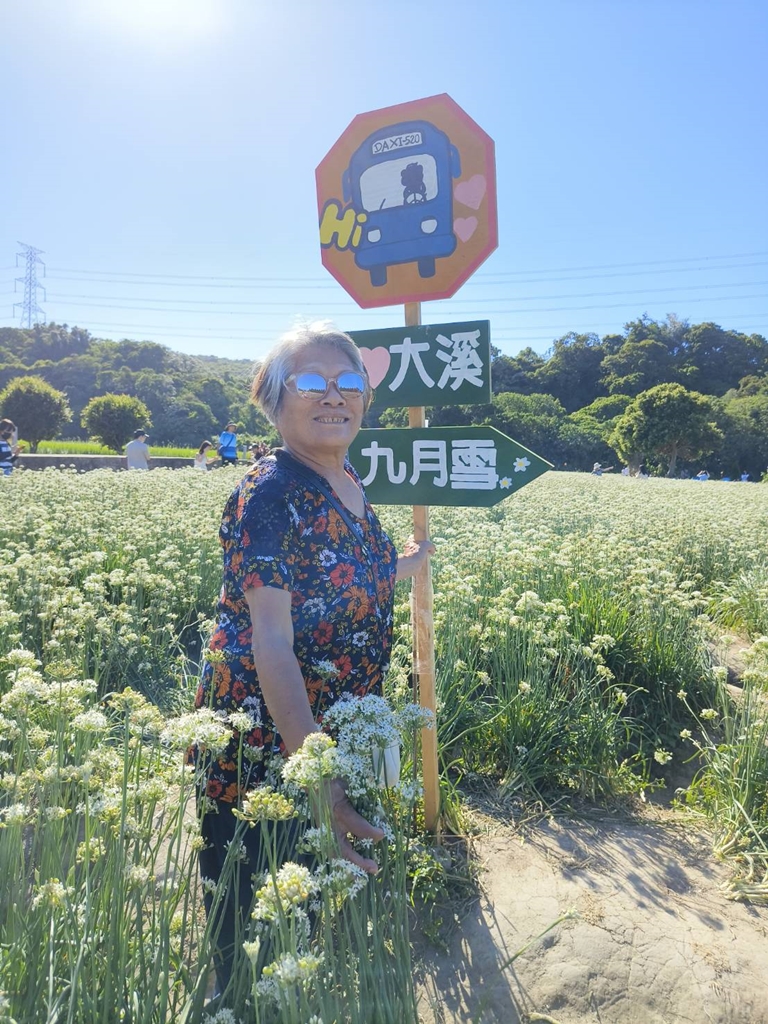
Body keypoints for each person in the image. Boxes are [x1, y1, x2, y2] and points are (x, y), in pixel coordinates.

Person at [192, 324, 434, 995]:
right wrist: (318, 780)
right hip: (263, 755)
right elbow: (272, 640)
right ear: (273, 399)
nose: (335, 395)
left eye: (349, 382)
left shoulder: (344, 476)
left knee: (298, 913)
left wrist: (406, 565)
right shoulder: (268, 494)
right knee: (252, 930)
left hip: (323, 738)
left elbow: (342, 574)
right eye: (311, 382)